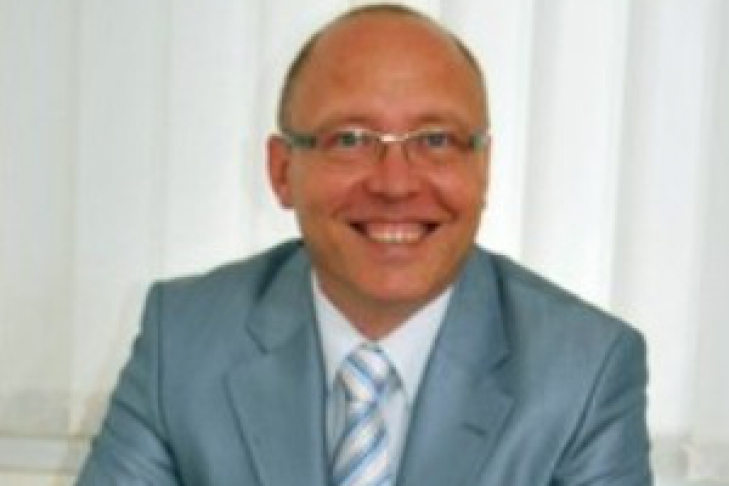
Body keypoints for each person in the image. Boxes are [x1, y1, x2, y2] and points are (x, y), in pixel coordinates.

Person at [76, 4, 652, 486]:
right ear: (281, 170)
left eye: (436, 139)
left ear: (483, 169)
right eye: (350, 139)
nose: (394, 184)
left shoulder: (584, 372)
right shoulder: (184, 340)